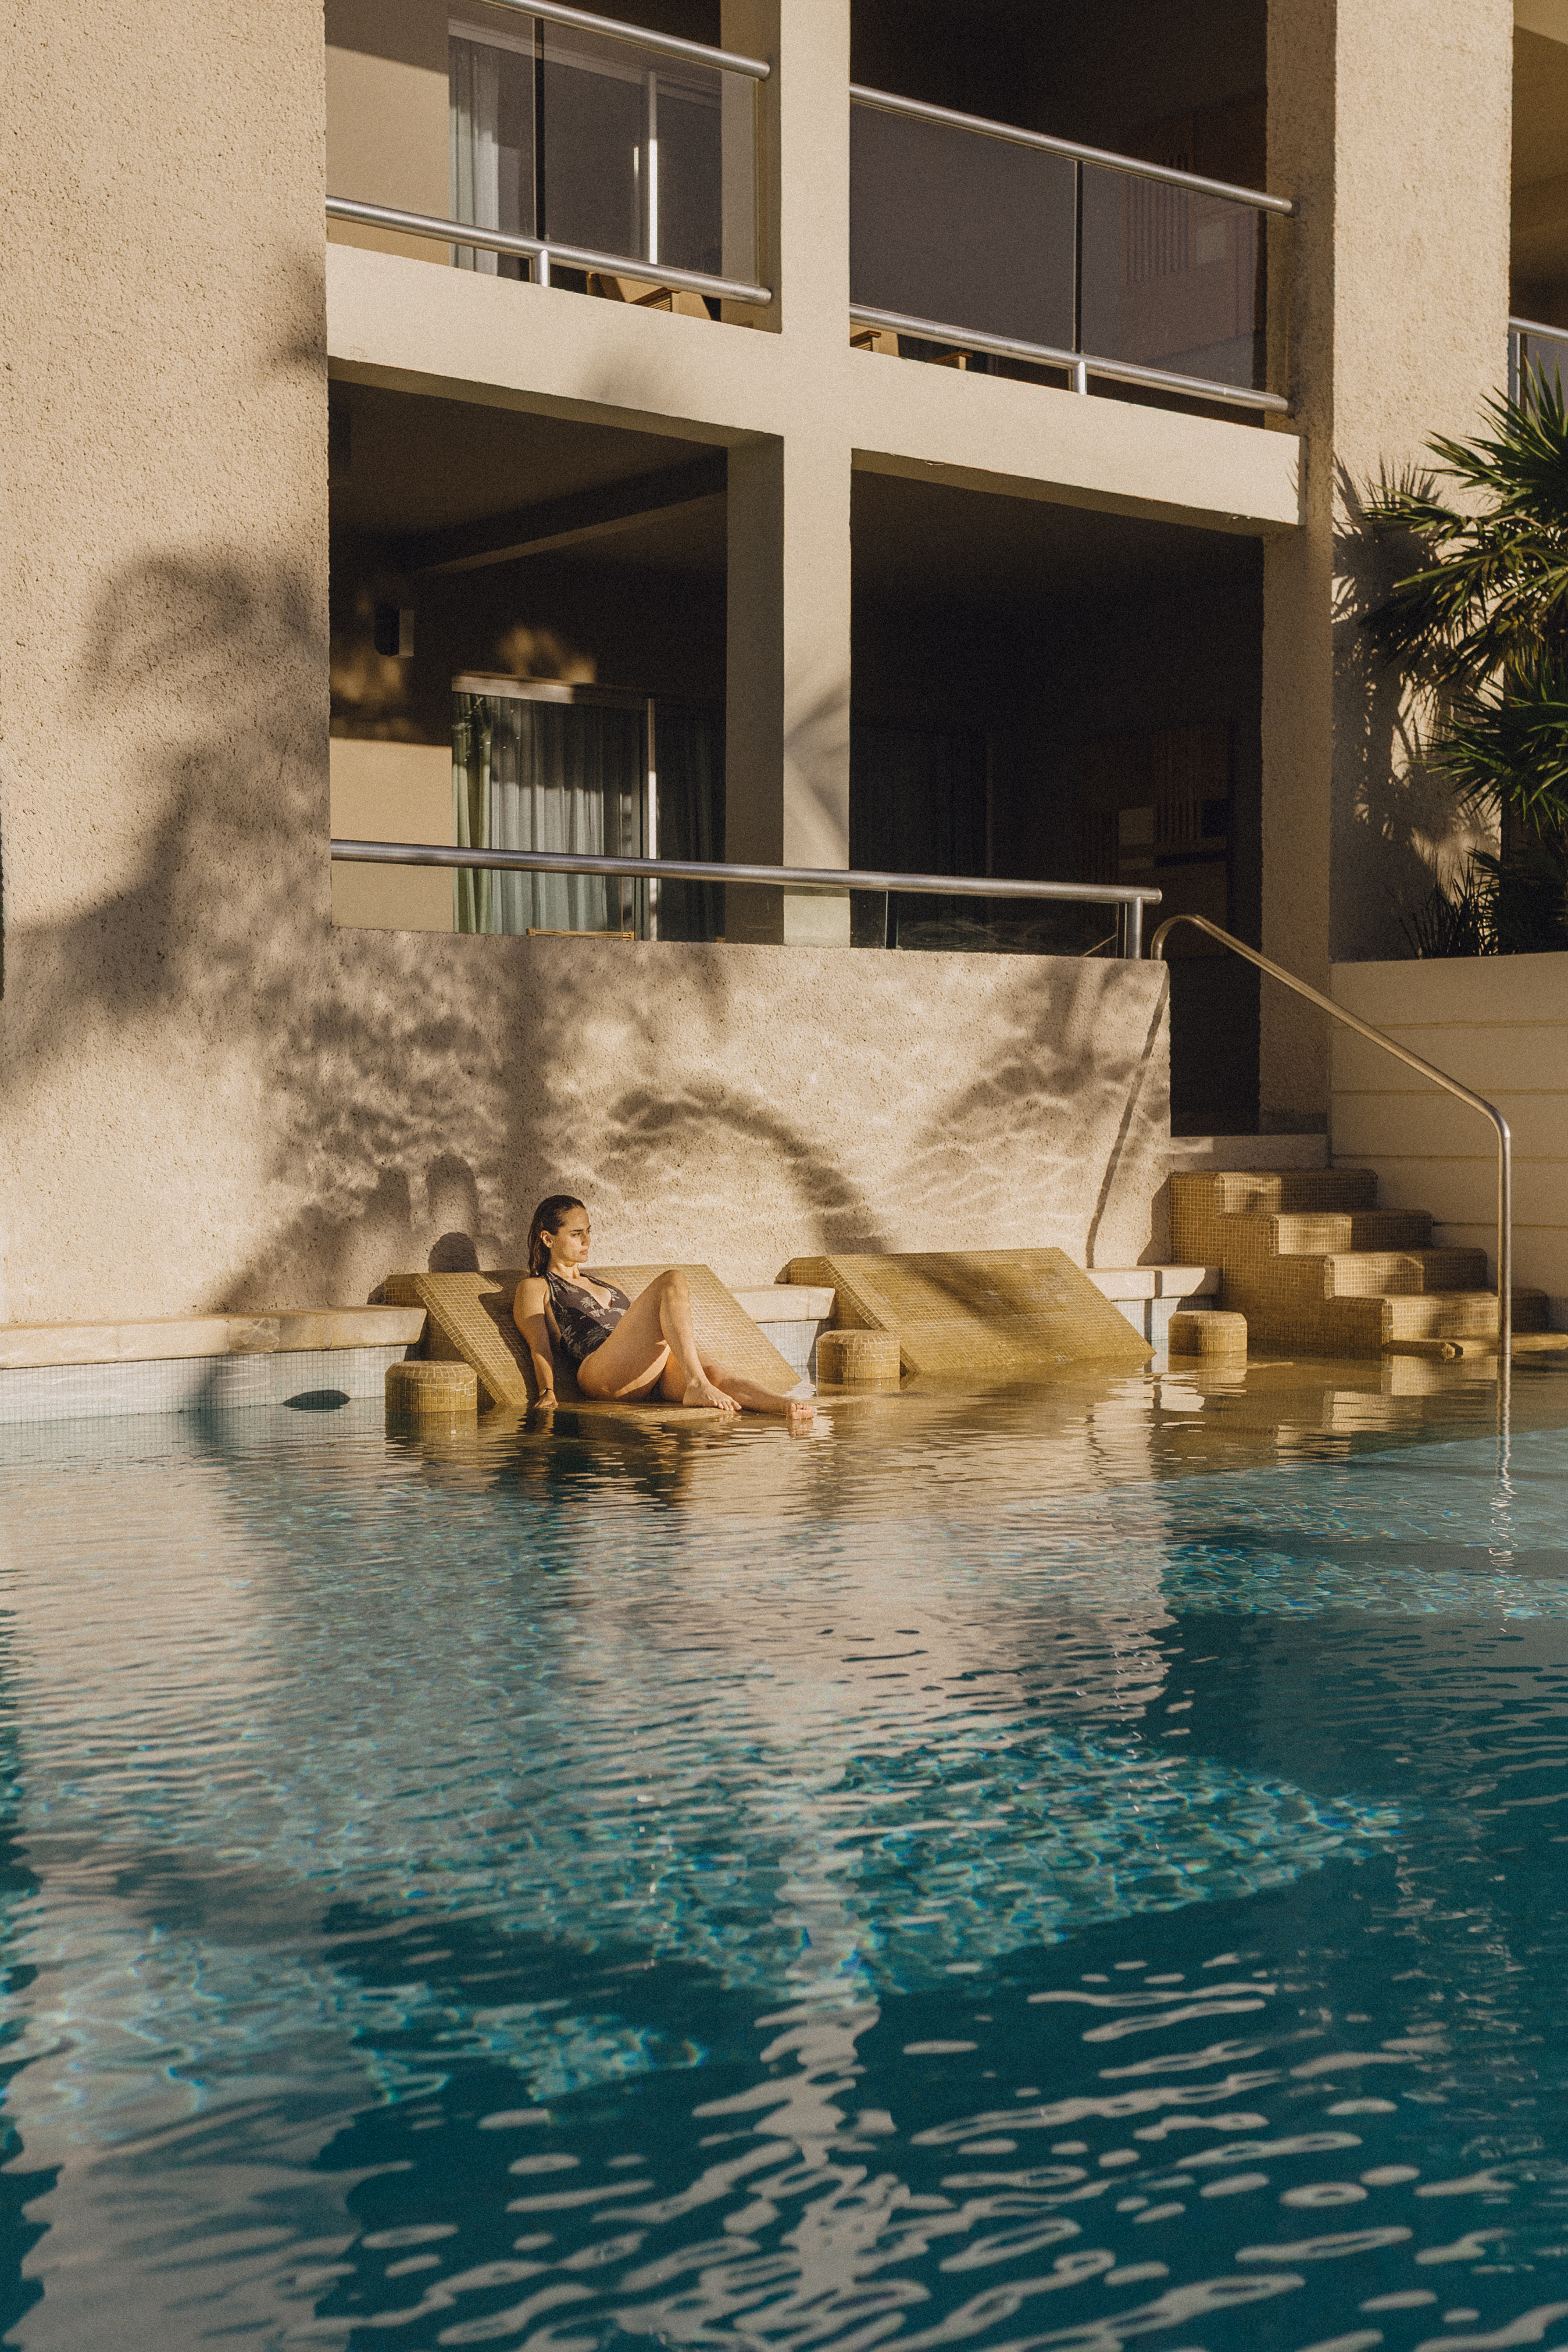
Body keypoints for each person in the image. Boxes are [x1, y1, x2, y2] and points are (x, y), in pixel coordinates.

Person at [515, 1195, 815, 1429]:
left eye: (589, 1232)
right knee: (672, 1280)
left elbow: (644, 1333)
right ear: (548, 1239)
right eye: (577, 1234)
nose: (587, 1241)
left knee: (716, 1376)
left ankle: (783, 1405)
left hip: (644, 1370)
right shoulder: (536, 1287)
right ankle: (697, 1385)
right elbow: (539, 1348)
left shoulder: (607, 1283)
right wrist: (548, 1391)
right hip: (600, 1372)